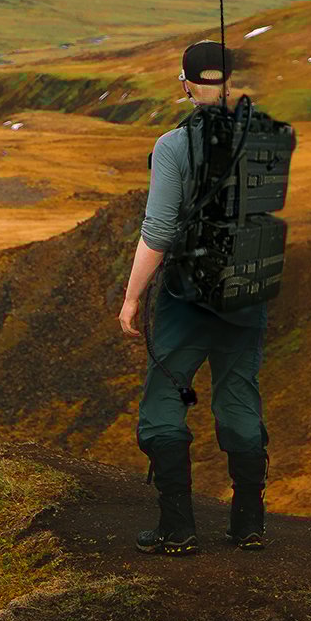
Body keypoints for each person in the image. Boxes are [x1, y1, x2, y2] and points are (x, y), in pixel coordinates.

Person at [118, 40, 270, 556]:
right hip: (246, 289)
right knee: (238, 393)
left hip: (187, 293)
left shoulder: (172, 146)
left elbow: (159, 230)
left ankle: (178, 528)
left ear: (185, 84)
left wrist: (132, 297)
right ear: (229, 83)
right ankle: (248, 524)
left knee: (166, 398)